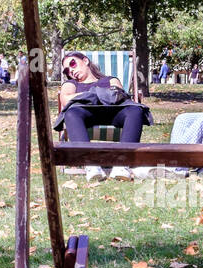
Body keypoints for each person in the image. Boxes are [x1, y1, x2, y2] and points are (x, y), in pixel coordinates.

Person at [55, 51, 151, 182]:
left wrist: (85, 96)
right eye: (67, 70)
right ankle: (91, 165)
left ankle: (122, 165)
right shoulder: (71, 84)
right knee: (71, 113)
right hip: (86, 113)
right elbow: (66, 100)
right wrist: (99, 94)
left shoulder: (111, 80)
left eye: (73, 64)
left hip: (113, 112)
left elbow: (117, 96)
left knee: (135, 110)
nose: (71, 71)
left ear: (85, 61)